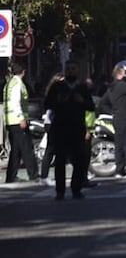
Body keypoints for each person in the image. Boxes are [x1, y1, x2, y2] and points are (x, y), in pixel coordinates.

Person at [44, 60, 94, 199]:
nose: (71, 71)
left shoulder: (82, 88)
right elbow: (47, 103)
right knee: (60, 160)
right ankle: (60, 191)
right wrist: (58, 100)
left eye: (73, 69)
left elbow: (91, 106)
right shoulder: (57, 87)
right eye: (68, 69)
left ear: (77, 71)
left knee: (79, 160)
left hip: (77, 128)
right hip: (60, 128)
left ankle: (76, 189)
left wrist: (81, 101)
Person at [3, 62, 39, 184]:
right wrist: (21, 118)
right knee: (27, 148)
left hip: (10, 121)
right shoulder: (18, 84)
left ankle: (11, 176)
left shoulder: (9, 84)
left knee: (16, 150)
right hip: (17, 121)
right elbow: (16, 102)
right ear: (23, 72)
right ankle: (33, 174)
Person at [38, 72, 65, 184]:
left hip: (54, 123)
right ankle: (44, 176)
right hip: (53, 123)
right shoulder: (54, 94)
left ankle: (82, 173)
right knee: (50, 150)